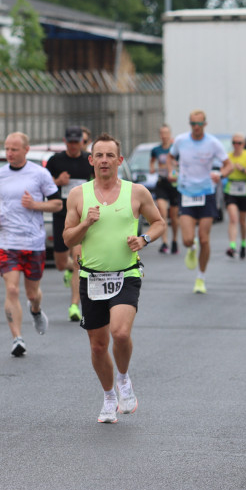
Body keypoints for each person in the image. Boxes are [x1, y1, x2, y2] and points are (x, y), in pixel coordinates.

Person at [62, 134, 164, 424]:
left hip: (126, 273)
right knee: (97, 346)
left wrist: (143, 239)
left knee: (120, 333)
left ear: (119, 161)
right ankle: (109, 397)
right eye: (99, 155)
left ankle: (123, 378)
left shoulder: (137, 192)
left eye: (110, 155)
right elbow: (68, 237)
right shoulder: (79, 195)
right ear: (91, 160)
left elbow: (159, 223)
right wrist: (86, 223)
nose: (104, 160)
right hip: (91, 277)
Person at [0, 132, 63, 356]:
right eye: (7, 149)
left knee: (32, 294)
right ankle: (17, 338)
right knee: (11, 289)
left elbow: (57, 204)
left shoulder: (40, 174)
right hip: (8, 241)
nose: (9, 153)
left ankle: (35, 310)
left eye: (14, 149)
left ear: (26, 150)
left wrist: (35, 205)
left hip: (34, 241)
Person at [168, 110, 229, 294]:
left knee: (204, 238)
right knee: (187, 240)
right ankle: (191, 247)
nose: (196, 127)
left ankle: (201, 278)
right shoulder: (180, 141)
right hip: (186, 192)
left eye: (199, 124)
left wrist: (221, 174)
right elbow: (170, 158)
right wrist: (172, 172)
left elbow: (229, 164)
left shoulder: (213, 143)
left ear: (205, 124)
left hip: (206, 194)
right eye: (193, 124)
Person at [46, 126, 93, 322]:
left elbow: (97, 183)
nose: (74, 145)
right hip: (61, 215)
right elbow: (43, 185)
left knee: (77, 261)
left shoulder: (88, 160)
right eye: (71, 142)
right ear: (65, 141)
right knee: (60, 263)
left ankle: (74, 305)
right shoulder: (55, 161)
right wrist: (57, 181)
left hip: (81, 217)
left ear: (82, 142)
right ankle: (67, 270)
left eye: (78, 142)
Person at [221, 134, 246, 259]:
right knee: (233, 218)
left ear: (243, 144)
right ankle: (232, 246)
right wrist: (227, 171)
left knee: (242, 221)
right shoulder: (228, 156)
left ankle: (243, 244)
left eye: (239, 143)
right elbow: (222, 172)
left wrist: (243, 170)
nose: (236, 145)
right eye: (234, 143)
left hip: (244, 189)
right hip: (231, 189)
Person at [149, 124, 180, 254]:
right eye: (162, 133)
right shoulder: (156, 149)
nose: (164, 135)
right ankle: (165, 242)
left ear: (170, 134)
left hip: (173, 184)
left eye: (166, 133)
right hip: (161, 183)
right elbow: (152, 161)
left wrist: (175, 168)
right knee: (162, 211)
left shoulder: (175, 149)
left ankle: (174, 241)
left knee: (173, 216)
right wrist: (151, 167)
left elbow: (182, 163)